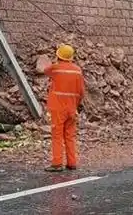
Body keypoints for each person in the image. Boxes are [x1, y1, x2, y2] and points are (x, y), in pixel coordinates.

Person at [43, 43, 86, 172]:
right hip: (72, 108)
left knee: (57, 135)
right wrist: (76, 104)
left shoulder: (56, 68)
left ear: (58, 56)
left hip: (58, 108)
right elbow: (82, 92)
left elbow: (45, 71)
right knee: (70, 136)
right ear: (71, 57)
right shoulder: (78, 70)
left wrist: (55, 61)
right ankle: (72, 163)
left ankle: (57, 163)